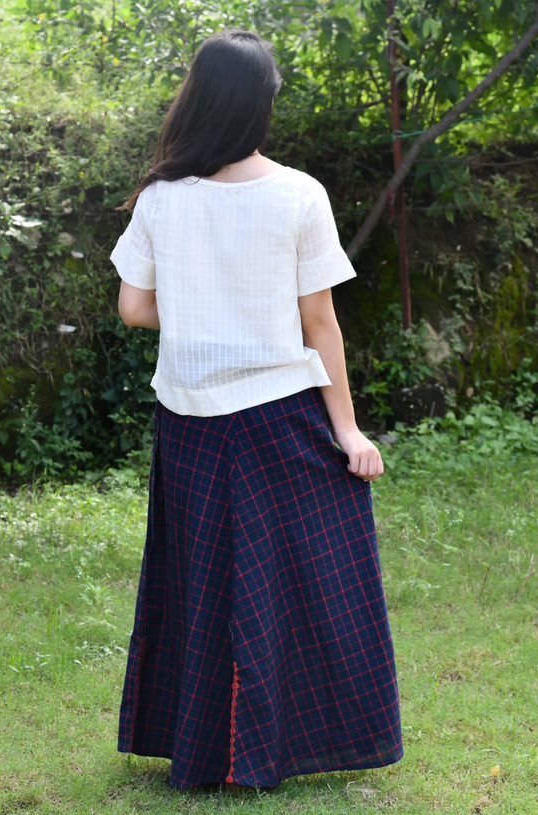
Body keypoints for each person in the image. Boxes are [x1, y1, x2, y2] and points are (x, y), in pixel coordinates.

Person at [109, 27, 403, 792]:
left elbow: (133, 308)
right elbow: (318, 324)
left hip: (188, 419)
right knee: (312, 578)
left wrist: (205, 315)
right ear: (260, 105)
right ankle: (298, 742)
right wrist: (347, 430)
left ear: (197, 100)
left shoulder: (161, 199)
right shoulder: (298, 194)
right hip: (282, 414)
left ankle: (203, 754)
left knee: (200, 584)